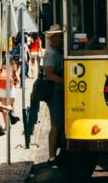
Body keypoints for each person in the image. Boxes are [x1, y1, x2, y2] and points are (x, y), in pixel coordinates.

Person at [42, 25, 65, 165]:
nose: (61, 39)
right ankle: (51, 157)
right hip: (54, 91)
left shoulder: (58, 50)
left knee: (60, 123)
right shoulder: (51, 53)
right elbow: (49, 74)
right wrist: (65, 81)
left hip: (59, 90)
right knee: (56, 124)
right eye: (59, 36)